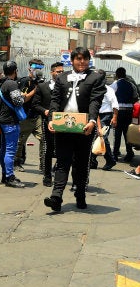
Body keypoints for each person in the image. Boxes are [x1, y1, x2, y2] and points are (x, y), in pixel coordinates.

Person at [44, 47, 106, 212]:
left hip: (84, 127)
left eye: (85, 59)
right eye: (78, 59)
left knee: (81, 163)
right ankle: (56, 197)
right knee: (62, 162)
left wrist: (92, 121)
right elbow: (55, 100)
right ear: (72, 61)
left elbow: (95, 101)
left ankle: (80, 194)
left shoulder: (96, 78)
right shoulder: (62, 77)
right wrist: (51, 119)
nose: (82, 62)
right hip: (64, 126)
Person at [33, 61, 64, 187]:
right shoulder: (43, 87)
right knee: (48, 149)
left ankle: (60, 174)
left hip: (63, 122)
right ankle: (47, 175)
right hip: (47, 122)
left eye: (62, 72)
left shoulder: (67, 87)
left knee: (63, 150)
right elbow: (35, 105)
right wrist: (45, 111)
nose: (61, 74)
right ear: (52, 73)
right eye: (58, 72)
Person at [0, 60, 25, 188]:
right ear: (15, 71)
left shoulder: (1, 83)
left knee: (4, 149)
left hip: (2, 120)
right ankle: (9, 177)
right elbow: (18, 101)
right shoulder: (12, 84)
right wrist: (24, 95)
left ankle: (5, 175)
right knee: (10, 150)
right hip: (11, 121)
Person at [14, 58, 44, 172]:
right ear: (29, 69)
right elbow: (23, 99)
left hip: (37, 116)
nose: (38, 71)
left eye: (40, 69)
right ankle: (16, 162)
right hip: (25, 116)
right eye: (35, 68)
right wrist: (35, 89)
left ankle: (43, 164)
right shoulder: (24, 81)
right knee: (20, 141)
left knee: (44, 139)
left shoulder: (42, 82)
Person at [89, 69, 118, 171]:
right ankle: (92, 161)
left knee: (102, 137)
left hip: (106, 115)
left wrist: (114, 118)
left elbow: (115, 105)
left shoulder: (108, 90)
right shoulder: (92, 89)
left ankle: (110, 160)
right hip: (94, 115)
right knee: (94, 137)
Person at [111, 66, 138, 163]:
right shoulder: (131, 85)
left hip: (119, 111)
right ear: (125, 74)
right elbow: (135, 96)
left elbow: (111, 97)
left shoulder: (115, 84)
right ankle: (129, 153)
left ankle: (114, 154)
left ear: (117, 75)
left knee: (117, 133)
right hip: (129, 110)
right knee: (127, 132)